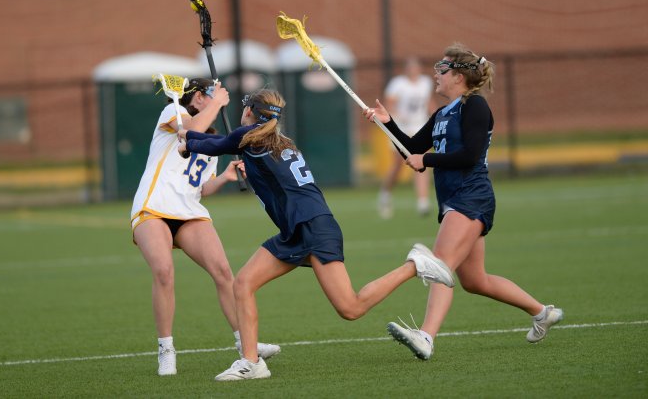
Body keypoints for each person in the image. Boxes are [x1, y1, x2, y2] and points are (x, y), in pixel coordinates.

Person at [178, 88, 455, 381]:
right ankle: (251, 362)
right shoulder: (272, 140)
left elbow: (213, 144)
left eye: (245, 107)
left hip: (310, 227)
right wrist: (192, 140)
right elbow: (224, 144)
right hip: (301, 227)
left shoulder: (249, 137)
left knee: (351, 307)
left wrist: (185, 137)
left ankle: (415, 266)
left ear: (250, 112)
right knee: (244, 283)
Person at [363, 43, 564, 361]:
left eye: (441, 69)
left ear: (458, 76)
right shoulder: (442, 113)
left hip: (472, 196)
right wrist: (385, 122)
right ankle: (542, 313)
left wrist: (425, 160)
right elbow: (412, 146)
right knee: (475, 280)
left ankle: (426, 336)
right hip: (454, 199)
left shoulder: (475, 107)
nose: (435, 75)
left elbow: (469, 155)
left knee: (440, 264)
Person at [130, 78, 280, 376]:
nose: (219, 98)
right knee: (164, 271)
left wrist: (223, 178)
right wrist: (217, 103)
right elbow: (193, 129)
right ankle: (166, 350)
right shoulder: (173, 115)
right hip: (154, 207)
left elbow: (200, 189)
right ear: (198, 97)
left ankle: (245, 344)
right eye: (211, 95)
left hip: (190, 211)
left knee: (224, 273)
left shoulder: (210, 138)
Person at [377, 56, 435, 219]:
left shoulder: (425, 82)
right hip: (402, 129)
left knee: (422, 163)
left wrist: (437, 118)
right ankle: (385, 194)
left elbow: (430, 104)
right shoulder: (398, 84)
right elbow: (389, 104)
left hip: (420, 127)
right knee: (398, 165)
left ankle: (423, 202)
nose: (413, 70)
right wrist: (398, 115)